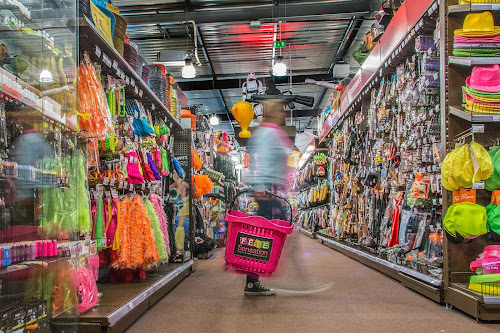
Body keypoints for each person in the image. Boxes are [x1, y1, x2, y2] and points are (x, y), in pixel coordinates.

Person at [244, 100, 293, 296]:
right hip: (266, 191)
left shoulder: (269, 131)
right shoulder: (268, 133)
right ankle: (252, 280)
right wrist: (260, 187)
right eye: (282, 111)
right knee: (263, 235)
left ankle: (253, 279)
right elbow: (261, 161)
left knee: (267, 234)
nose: (284, 115)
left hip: (270, 190)